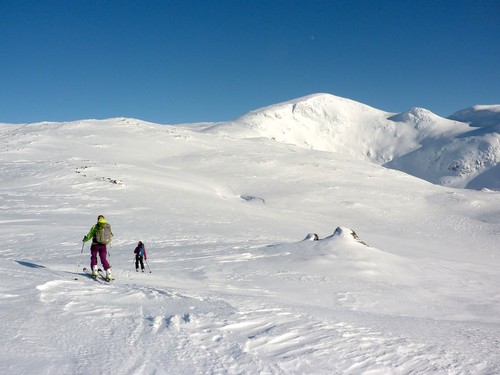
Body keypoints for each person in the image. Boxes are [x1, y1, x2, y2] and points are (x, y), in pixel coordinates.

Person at [83, 215, 113, 280]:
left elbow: (90, 235)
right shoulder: (107, 226)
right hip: (103, 245)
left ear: (98, 219)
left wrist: (85, 239)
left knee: (93, 256)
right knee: (103, 258)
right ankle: (108, 272)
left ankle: (94, 270)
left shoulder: (95, 226)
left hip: (95, 245)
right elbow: (110, 235)